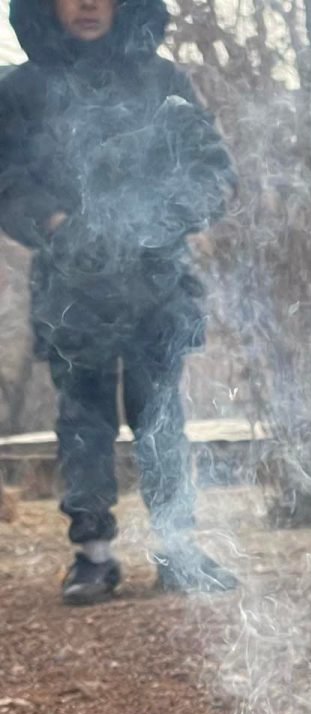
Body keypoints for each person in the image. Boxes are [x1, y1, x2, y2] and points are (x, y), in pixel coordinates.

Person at [0, 0, 238, 604]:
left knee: (161, 415)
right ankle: (92, 556)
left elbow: (211, 168)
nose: (86, 4)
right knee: (82, 418)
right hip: (71, 286)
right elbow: (7, 179)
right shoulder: (22, 91)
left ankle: (177, 549)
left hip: (155, 281)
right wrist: (53, 223)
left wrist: (162, 220)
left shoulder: (162, 81)